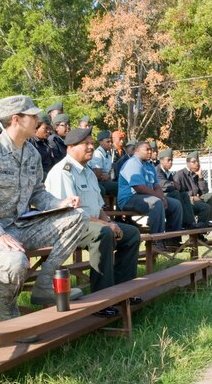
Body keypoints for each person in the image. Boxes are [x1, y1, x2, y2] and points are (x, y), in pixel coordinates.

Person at [0, 95, 88, 325]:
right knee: (16, 262)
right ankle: (8, 313)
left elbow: (37, 193)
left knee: (78, 217)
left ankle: (45, 283)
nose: (38, 118)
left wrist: (59, 204)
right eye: (32, 115)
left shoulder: (32, 153)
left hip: (22, 226)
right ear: (16, 119)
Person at [45, 127, 141, 316]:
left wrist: (109, 221)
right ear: (71, 147)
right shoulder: (63, 172)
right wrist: (106, 225)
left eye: (91, 143)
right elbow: (71, 213)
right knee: (103, 233)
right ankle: (102, 299)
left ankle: (123, 291)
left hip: (91, 222)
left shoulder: (88, 172)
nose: (91, 147)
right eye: (86, 143)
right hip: (67, 227)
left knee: (131, 233)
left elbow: (98, 207)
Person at [118, 141, 182, 245]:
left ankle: (173, 240)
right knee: (156, 203)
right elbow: (139, 188)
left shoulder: (150, 166)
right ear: (137, 151)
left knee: (176, 205)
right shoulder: (132, 164)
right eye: (146, 150)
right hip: (129, 199)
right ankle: (156, 241)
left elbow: (156, 186)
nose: (150, 152)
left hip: (146, 197)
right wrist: (160, 199)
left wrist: (163, 198)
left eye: (150, 150)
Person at [156, 149, 206, 235]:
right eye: (168, 160)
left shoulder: (168, 173)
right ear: (161, 160)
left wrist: (174, 185)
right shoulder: (157, 171)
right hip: (159, 197)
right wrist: (173, 185)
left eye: (172, 160)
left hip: (169, 196)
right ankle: (185, 223)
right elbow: (165, 186)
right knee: (176, 193)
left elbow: (180, 188)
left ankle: (190, 223)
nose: (171, 162)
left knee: (183, 195)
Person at [174, 151, 212, 227]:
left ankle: (207, 221)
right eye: (193, 162)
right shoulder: (180, 174)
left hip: (197, 201)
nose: (197, 163)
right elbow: (176, 193)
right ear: (187, 163)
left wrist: (200, 177)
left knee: (211, 196)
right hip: (186, 204)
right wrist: (191, 197)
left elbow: (204, 192)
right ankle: (199, 229)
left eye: (198, 161)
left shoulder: (196, 174)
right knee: (205, 207)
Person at [88, 130, 118, 196]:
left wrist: (109, 176)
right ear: (100, 142)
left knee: (120, 185)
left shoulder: (108, 155)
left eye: (111, 141)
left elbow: (111, 173)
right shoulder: (98, 154)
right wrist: (108, 176)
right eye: (108, 141)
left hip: (105, 180)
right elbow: (98, 176)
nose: (110, 143)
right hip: (97, 181)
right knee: (117, 186)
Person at [28, 112, 57, 176]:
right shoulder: (29, 143)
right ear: (36, 128)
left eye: (49, 128)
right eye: (46, 128)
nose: (48, 131)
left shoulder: (46, 142)